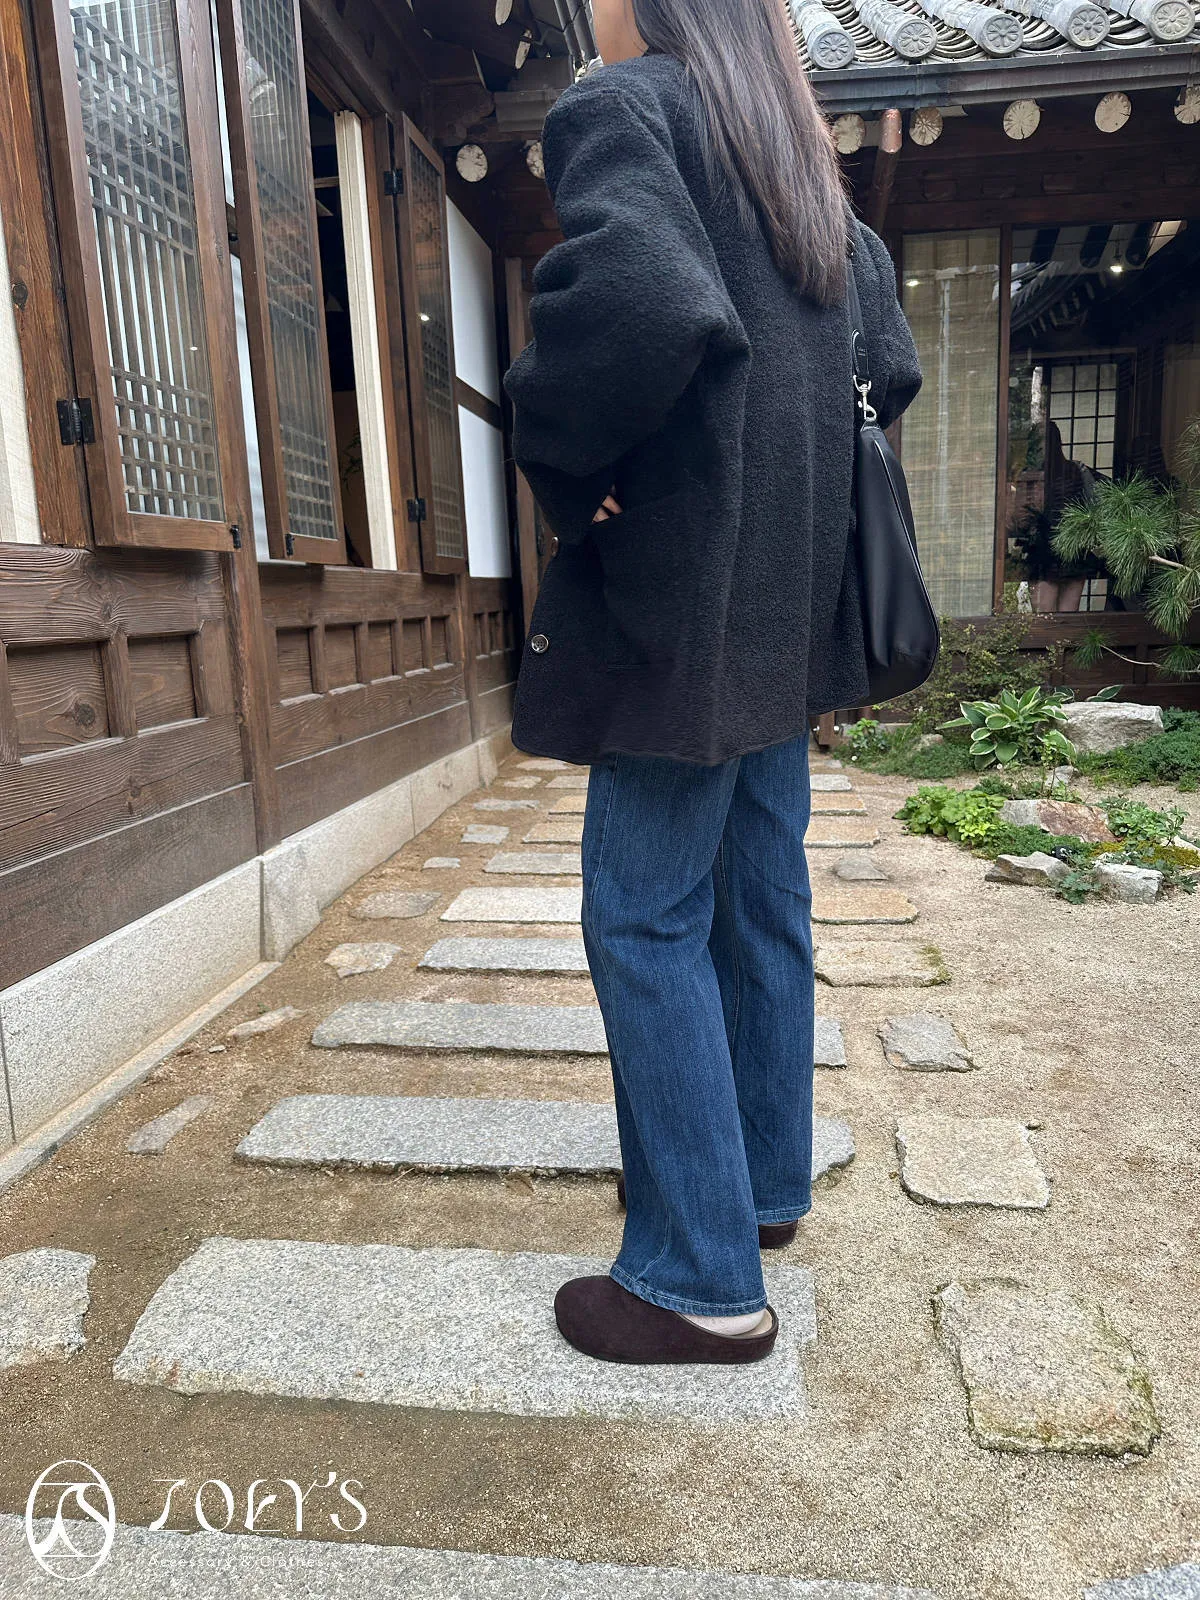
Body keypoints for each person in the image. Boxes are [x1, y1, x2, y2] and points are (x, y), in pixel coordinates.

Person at [504, 0, 921, 1365]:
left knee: (644, 917)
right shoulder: (794, 153)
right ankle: (760, 1185)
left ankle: (697, 1276)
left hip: (684, 599)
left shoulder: (628, 108)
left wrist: (571, 468)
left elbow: (631, 305)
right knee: (760, 900)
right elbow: (890, 364)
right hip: (790, 609)